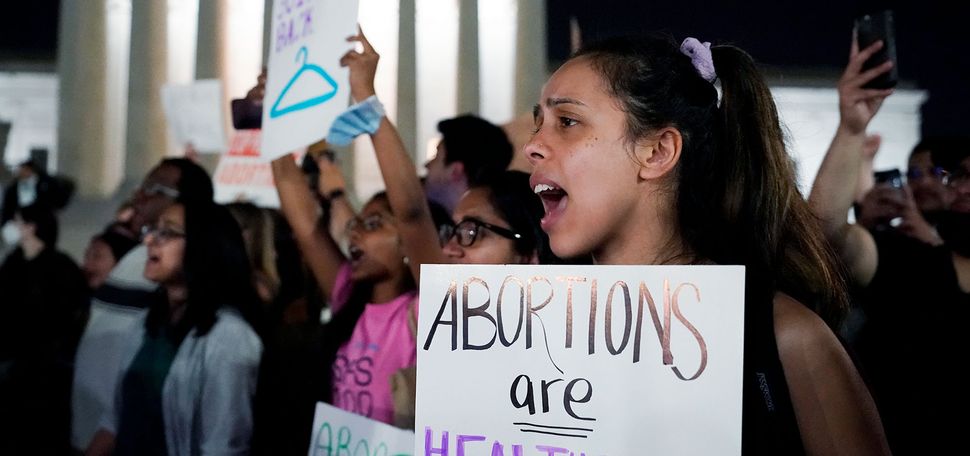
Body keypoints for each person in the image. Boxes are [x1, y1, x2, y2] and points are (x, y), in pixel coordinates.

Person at [526, 34, 889, 454]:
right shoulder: (527, 328)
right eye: (538, 124)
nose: (533, 145)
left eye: (567, 122)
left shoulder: (782, 336)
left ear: (659, 152)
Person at [810, 37, 970, 454]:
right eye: (960, 176)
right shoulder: (913, 264)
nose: (964, 188)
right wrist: (851, 128)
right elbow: (823, 235)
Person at [338, 29, 557, 279]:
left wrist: (366, 97)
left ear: (530, 254)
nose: (448, 249)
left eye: (472, 233)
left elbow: (411, 213)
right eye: (451, 232)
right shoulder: (444, 294)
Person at [85, 201, 263, 456]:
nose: (149, 241)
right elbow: (116, 419)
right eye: (151, 230)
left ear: (204, 246)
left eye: (167, 233)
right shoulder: (146, 324)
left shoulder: (228, 336)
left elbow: (222, 445)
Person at [72, 158, 214, 450]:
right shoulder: (141, 260)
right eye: (143, 187)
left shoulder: (174, 273)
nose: (140, 196)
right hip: (96, 432)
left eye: (156, 189)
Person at [0, 204, 88, 455]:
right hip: (11, 360)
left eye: (16, 221)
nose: (11, 227)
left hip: (42, 367)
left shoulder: (59, 267)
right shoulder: (13, 261)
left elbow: (66, 315)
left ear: (31, 227)